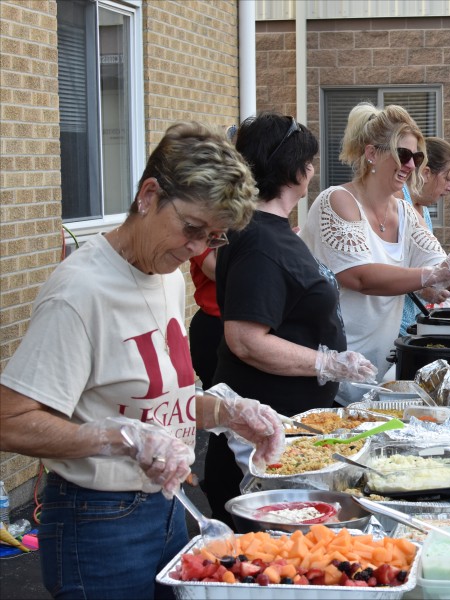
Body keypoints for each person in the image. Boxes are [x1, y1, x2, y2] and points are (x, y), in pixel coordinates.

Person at [0, 121, 284, 600]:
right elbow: (10, 420)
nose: (196, 249)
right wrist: (116, 438)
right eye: (192, 228)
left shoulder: (165, 274)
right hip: (98, 520)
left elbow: (153, 400)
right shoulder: (80, 291)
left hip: (169, 506)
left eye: (213, 238)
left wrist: (226, 412)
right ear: (149, 195)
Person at [204, 112, 378, 525]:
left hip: (288, 434)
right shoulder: (260, 240)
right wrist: (326, 363)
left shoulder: (270, 230)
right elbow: (245, 339)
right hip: (259, 447)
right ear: (297, 171)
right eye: (310, 162)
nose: (313, 170)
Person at [301, 102, 450, 404]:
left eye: (416, 157)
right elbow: (360, 276)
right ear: (371, 153)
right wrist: (432, 274)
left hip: (371, 368)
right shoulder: (338, 201)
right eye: (403, 154)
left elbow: (439, 267)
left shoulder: (404, 212)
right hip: (324, 367)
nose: (411, 165)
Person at [398, 137, 450, 336]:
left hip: (414, 320)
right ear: (426, 173)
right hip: (394, 323)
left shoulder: (422, 209)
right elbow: (386, 265)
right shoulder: (398, 202)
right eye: (448, 179)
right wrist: (421, 286)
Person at [188, 248, 221, 388]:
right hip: (214, 323)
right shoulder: (207, 233)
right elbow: (216, 270)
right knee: (216, 390)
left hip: (250, 322)